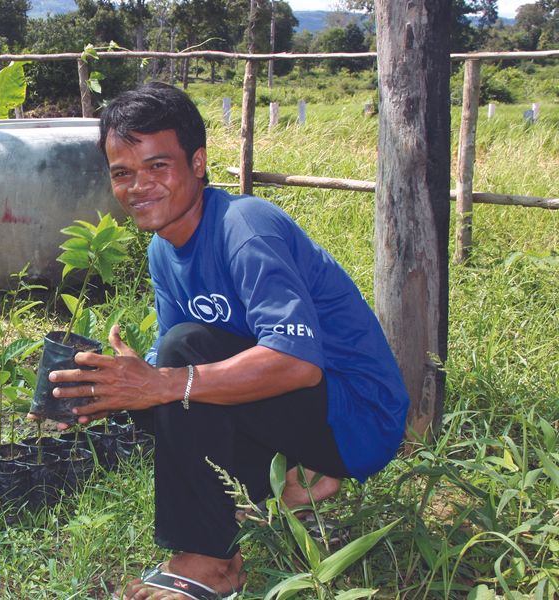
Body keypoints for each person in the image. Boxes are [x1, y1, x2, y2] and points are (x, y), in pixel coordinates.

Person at [43, 82, 410, 600]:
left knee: (178, 364)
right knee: (159, 381)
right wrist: (106, 386)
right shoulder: (162, 250)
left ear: (198, 163)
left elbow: (298, 364)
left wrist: (162, 380)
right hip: (286, 409)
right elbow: (173, 366)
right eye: (122, 172)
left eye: (157, 166)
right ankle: (293, 480)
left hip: (357, 418)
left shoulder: (245, 226)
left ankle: (211, 562)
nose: (138, 186)